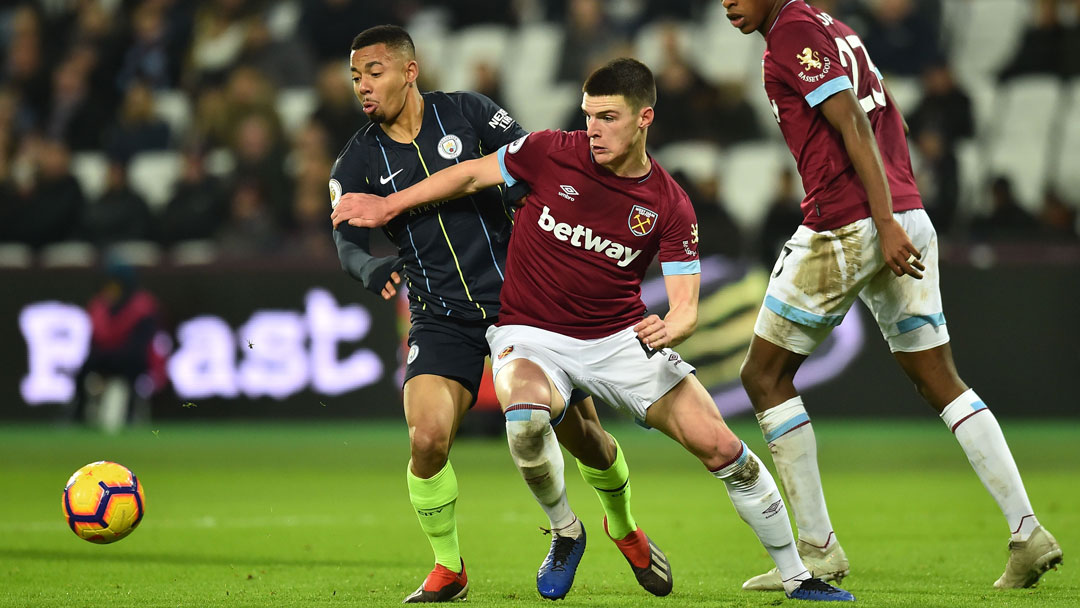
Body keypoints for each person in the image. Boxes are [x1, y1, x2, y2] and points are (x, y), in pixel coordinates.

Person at [334, 56, 854, 603]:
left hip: (618, 339)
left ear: (643, 118)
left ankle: (798, 576)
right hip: (530, 333)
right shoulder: (549, 152)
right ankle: (565, 531)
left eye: (608, 117)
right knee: (527, 422)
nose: (594, 130)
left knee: (724, 449)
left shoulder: (669, 204)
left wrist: (676, 325)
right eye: (588, 116)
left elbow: (685, 306)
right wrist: (389, 204)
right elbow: (467, 174)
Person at [720, 0, 1062, 591]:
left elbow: (852, 119)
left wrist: (881, 220)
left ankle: (818, 551)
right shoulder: (835, 28)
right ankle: (1027, 532)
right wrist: (900, 208)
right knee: (939, 378)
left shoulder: (792, 34)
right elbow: (890, 120)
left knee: (764, 376)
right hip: (902, 213)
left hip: (850, 224)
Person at [329, 26, 671, 603]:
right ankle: (449, 567)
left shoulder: (469, 113)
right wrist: (366, 268)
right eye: (356, 76)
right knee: (427, 438)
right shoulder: (358, 158)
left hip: (525, 305)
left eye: (375, 72)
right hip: (439, 316)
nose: (363, 86)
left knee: (587, 439)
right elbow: (345, 232)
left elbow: (537, 175)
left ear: (410, 72)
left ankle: (625, 526)